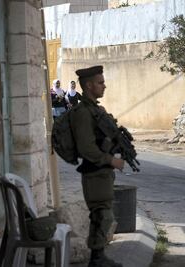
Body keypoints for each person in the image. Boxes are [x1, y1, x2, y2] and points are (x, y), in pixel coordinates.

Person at [69, 65, 124, 267]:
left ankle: (98, 257)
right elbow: (86, 148)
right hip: (94, 173)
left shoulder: (96, 110)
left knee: (103, 215)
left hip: (102, 173)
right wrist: (112, 161)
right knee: (102, 215)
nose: (104, 86)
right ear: (89, 85)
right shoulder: (83, 112)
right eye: (100, 82)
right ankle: (97, 260)